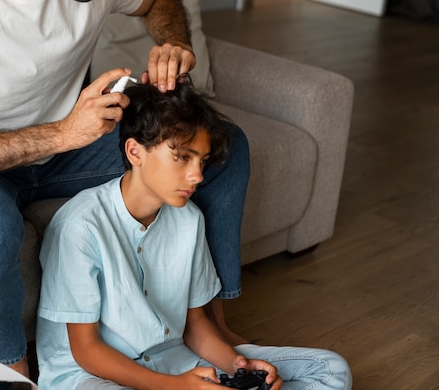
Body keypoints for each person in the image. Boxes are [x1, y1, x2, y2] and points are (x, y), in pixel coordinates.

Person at [0, 0, 249, 376]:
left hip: (69, 148)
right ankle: (12, 375)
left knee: (225, 148)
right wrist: (64, 133)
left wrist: (174, 45)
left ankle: (214, 325)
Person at [36, 82, 353, 390]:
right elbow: (87, 351)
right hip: (93, 375)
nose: (198, 175)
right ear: (135, 151)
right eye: (183, 157)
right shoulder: (80, 225)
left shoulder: (189, 219)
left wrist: (236, 366)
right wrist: (176, 387)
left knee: (329, 370)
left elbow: (195, 324)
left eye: (201, 160)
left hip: (177, 358)